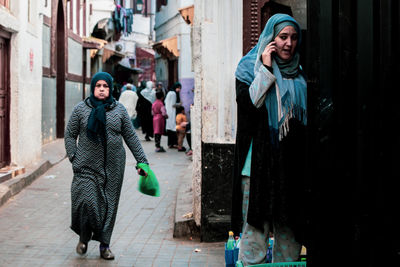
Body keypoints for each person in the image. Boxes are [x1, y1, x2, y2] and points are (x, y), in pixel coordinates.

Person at [231, 14, 307, 265]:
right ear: (270, 39)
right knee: (255, 226)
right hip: (257, 162)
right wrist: (265, 67)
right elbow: (251, 107)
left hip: (289, 161)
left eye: (294, 38)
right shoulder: (247, 69)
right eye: (283, 37)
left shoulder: (299, 72)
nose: (289, 44)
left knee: (289, 225)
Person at [64, 72, 150, 260]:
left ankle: (105, 245)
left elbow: (131, 136)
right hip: (86, 165)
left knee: (109, 205)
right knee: (87, 203)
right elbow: (70, 134)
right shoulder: (81, 109)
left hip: (113, 166)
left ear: (110, 89)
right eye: (98, 86)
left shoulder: (118, 110)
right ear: (93, 88)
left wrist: (142, 161)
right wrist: (73, 156)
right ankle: (84, 237)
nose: (102, 89)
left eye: (105, 86)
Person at [164, 82, 182, 148]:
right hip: (172, 113)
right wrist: (179, 104)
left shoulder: (169, 93)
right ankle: (174, 143)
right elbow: (173, 104)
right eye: (178, 88)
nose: (179, 90)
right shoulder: (174, 94)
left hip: (168, 112)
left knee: (169, 128)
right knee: (173, 128)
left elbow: (165, 102)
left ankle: (170, 144)